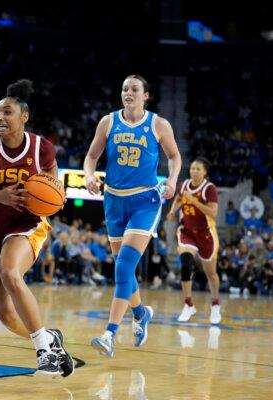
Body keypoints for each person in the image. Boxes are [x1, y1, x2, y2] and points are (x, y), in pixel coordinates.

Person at [0, 79, 74, 377]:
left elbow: (52, 178)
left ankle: (44, 352)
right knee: (7, 316)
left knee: (10, 272)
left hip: (26, 223)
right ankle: (51, 339)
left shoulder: (41, 147)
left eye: (7, 112)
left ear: (24, 117)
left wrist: (55, 195)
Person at [85, 74, 181, 357]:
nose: (128, 92)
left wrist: (173, 180)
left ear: (145, 95)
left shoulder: (158, 124)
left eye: (135, 89)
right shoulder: (108, 122)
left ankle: (109, 333)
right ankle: (140, 313)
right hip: (113, 200)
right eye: (125, 88)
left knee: (124, 266)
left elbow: (175, 156)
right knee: (123, 267)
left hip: (145, 201)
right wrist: (90, 176)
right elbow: (91, 156)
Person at [167, 158, 222, 324]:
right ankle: (188, 304)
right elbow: (178, 198)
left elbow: (213, 213)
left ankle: (215, 304)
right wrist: (172, 210)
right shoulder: (184, 185)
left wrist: (194, 201)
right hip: (187, 231)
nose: (194, 171)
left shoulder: (209, 189)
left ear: (205, 172)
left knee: (210, 272)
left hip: (206, 234)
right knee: (185, 263)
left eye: (198, 169)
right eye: (192, 168)